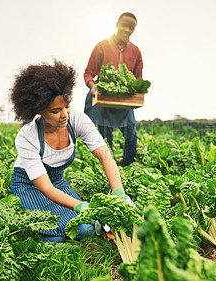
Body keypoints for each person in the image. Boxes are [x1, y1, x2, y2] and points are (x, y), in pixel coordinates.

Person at [9, 60, 134, 243]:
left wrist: (119, 193)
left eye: (66, 106)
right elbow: (45, 187)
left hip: (57, 183)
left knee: (85, 230)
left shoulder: (77, 120)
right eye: (55, 111)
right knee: (54, 238)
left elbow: (105, 157)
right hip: (28, 186)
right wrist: (80, 205)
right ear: (39, 110)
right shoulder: (27, 136)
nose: (64, 115)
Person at [84, 12, 143, 167]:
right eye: (124, 25)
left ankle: (125, 168)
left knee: (131, 137)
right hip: (104, 97)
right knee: (105, 137)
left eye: (131, 27)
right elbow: (89, 73)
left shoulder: (136, 51)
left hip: (124, 100)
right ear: (117, 24)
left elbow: (139, 79)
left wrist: (137, 90)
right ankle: (110, 170)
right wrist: (93, 86)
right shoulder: (102, 46)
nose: (127, 30)